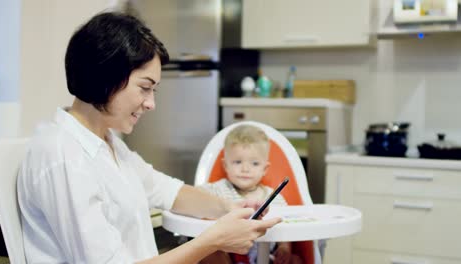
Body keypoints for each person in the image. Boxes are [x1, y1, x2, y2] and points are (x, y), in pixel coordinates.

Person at [17, 12, 281, 264]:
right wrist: (212, 241)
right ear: (105, 75)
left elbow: (168, 192)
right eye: (144, 88)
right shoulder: (62, 156)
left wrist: (230, 209)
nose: (151, 104)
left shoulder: (105, 143)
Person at [199, 125, 302, 264]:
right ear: (225, 165)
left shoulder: (274, 197)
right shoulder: (217, 190)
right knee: (209, 254)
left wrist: (284, 248)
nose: (245, 169)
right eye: (237, 162)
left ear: (264, 168)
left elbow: (283, 227)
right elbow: (196, 200)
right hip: (229, 255)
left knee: (295, 260)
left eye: (254, 163)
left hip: (267, 256)